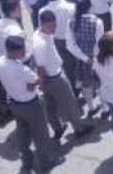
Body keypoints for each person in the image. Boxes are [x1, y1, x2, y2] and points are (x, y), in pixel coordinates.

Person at [0, 35, 64, 172]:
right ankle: (46, 163)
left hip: (15, 103)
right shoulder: (21, 69)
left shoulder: (0, 62)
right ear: (14, 51)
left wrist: (30, 84)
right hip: (31, 105)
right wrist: (35, 81)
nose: (24, 53)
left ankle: (27, 161)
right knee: (41, 135)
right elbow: (37, 81)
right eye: (22, 50)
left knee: (22, 135)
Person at [32, 9, 94, 140]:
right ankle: (79, 128)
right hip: (54, 78)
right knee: (70, 103)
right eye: (50, 26)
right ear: (42, 24)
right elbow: (41, 67)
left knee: (50, 106)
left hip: (50, 77)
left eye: (54, 25)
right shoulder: (40, 44)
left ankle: (58, 128)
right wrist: (42, 84)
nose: (54, 29)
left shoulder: (39, 34)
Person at [66, 0, 104, 118]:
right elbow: (99, 42)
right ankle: (105, 107)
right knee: (100, 84)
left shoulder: (71, 22)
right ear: (89, 6)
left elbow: (70, 45)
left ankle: (91, 107)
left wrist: (84, 58)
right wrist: (93, 57)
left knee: (85, 84)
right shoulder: (97, 22)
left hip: (81, 60)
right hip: (96, 59)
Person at [38, 0, 77, 90]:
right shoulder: (71, 7)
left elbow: (41, 29)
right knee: (76, 63)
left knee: (65, 66)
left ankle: (72, 87)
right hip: (72, 39)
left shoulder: (43, 11)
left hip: (56, 41)